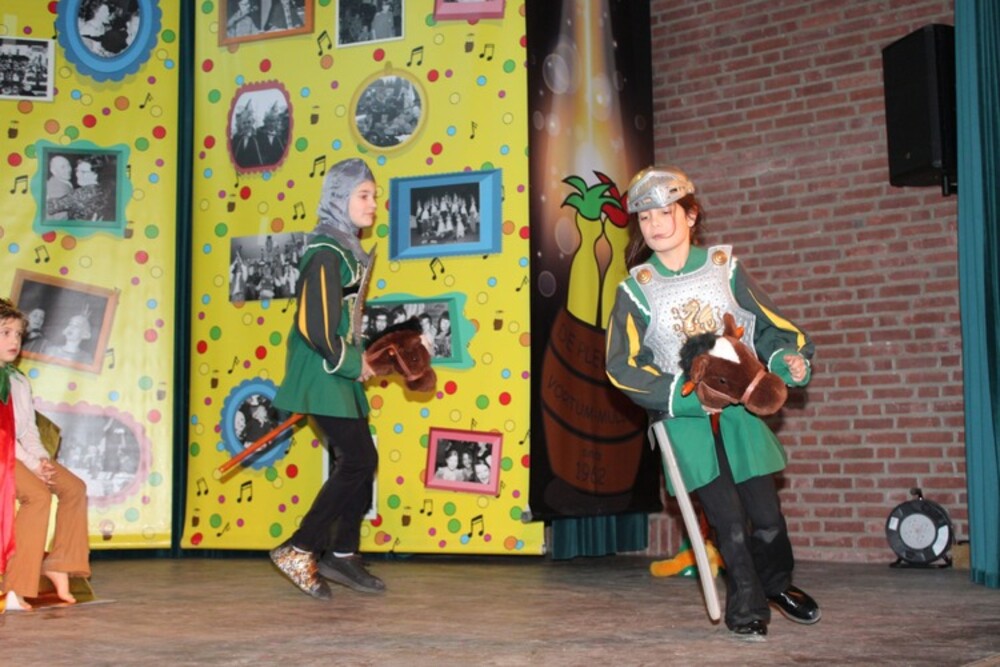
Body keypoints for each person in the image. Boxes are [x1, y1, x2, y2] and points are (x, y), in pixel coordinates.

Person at [604, 166, 819, 639]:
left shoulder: (725, 269)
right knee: (729, 523)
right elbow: (622, 365)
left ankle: (776, 584)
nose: (655, 225)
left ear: (691, 215)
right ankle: (748, 608)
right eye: (645, 218)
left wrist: (788, 361)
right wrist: (680, 399)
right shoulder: (635, 289)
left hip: (739, 415)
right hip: (685, 423)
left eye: (666, 213)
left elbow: (770, 328)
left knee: (767, 518)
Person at [270, 158, 384, 599]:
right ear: (339, 198)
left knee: (359, 460)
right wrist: (352, 362)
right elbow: (314, 327)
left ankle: (341, 553)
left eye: (374, 196)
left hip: (338, 373)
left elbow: (341, 319)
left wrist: (363, 356)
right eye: (363, 195)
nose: (373, 204)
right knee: (357, 459)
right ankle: (300, 548)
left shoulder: (345, 249)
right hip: (322, 372)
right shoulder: (325, 252)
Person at [0, 298, 90, 611]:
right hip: (3, 455)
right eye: (6, 333)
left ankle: (59, 564)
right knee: (37, 496)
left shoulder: (17, 381)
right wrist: (31, 464)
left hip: (16, 453)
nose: (14, 340)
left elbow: (27, 430)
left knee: (74, 488)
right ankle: (15, 588)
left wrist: (42, 461)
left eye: (18, 334)